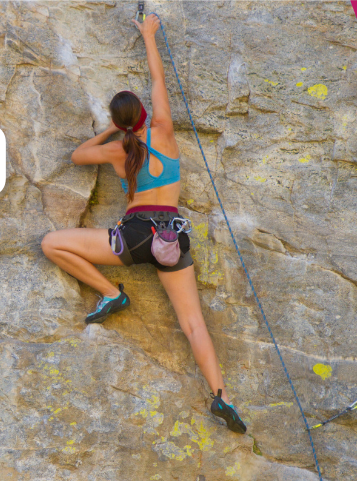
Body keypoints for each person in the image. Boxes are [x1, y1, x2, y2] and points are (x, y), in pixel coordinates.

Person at [40, 13, 246, 434]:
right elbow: (158, 82)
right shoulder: (165, 132)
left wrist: (110, 133)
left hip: (132, 237)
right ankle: (221, 395)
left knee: (52, 243)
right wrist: (149, 35)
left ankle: (110, 293)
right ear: (145, 114)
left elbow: (77, 156)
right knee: (193, 324)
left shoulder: (120, 150)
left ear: (121, 123)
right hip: (172, 238)